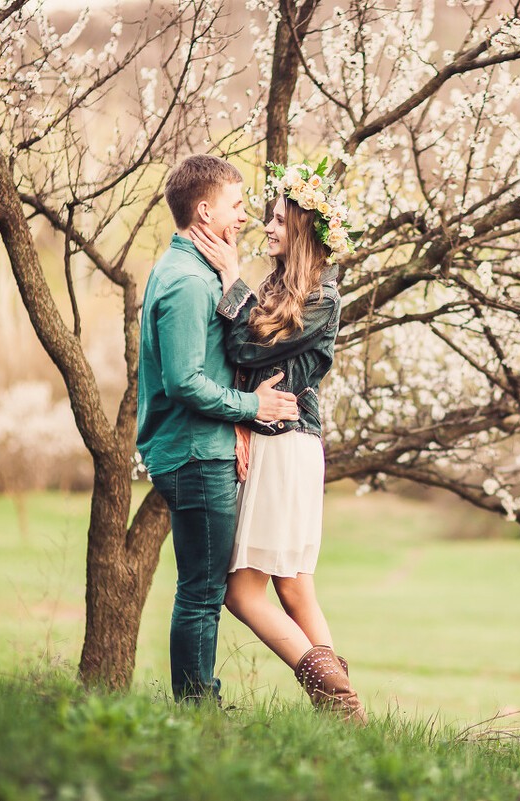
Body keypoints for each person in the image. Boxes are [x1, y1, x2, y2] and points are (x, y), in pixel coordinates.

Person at [190, 158, 366, 724]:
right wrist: (241, 419)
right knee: (294, 588)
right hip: (266, 436)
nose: (267, 228)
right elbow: (244, 360)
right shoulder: (274, 287)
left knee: (242, 594)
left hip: (287, 445)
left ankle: (336, 701)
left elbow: (245, 350)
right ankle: (348, 716)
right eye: (267, 218)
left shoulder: (324, 299)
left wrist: (229, 279)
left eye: (280, 221)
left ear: (306, 235)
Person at [137, 154, 300, 704]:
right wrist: (250, 408)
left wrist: (237, 426)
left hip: (203, 447)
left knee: (201, 590)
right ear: (203, 210)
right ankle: (197, 708)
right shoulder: (184, 280)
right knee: (202, 594)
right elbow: (184, 381)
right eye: (235, 205)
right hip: (192, 454)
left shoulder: (199, 271)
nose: (245, 216)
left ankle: (198, 701)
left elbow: (225, 343)